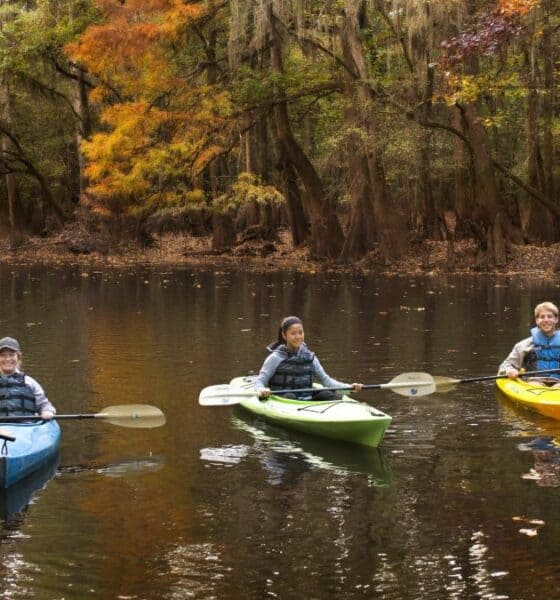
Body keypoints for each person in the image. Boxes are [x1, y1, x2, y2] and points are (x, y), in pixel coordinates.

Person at [255, 316, 363, 400]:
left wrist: (350, 388)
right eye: (293, 333)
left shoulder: (310, 357)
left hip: (307, 398)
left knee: (327, 394)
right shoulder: (275, 358)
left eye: (300, 332)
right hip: (284, 399)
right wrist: (262, 390)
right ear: (284, 335)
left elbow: (327, 382)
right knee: (290, 396)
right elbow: (260, 381)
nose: (298, 337)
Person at [498, 301, 560, 387]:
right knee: (535, 385)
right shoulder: (524, 345)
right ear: (537, 320)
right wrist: (510, 371)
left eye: (550, 316)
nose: (546, 320)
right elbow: (507, 364)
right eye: (542, 317)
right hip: (534, 382)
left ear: (556, 319)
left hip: (558, 382)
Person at [0, 337, 56, 419]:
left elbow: (44, 405)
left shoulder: (29, 382)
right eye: (3, 355)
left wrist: (47, 411)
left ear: (18, 357)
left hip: (26, 428)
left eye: (11, 355)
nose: (8, 359)